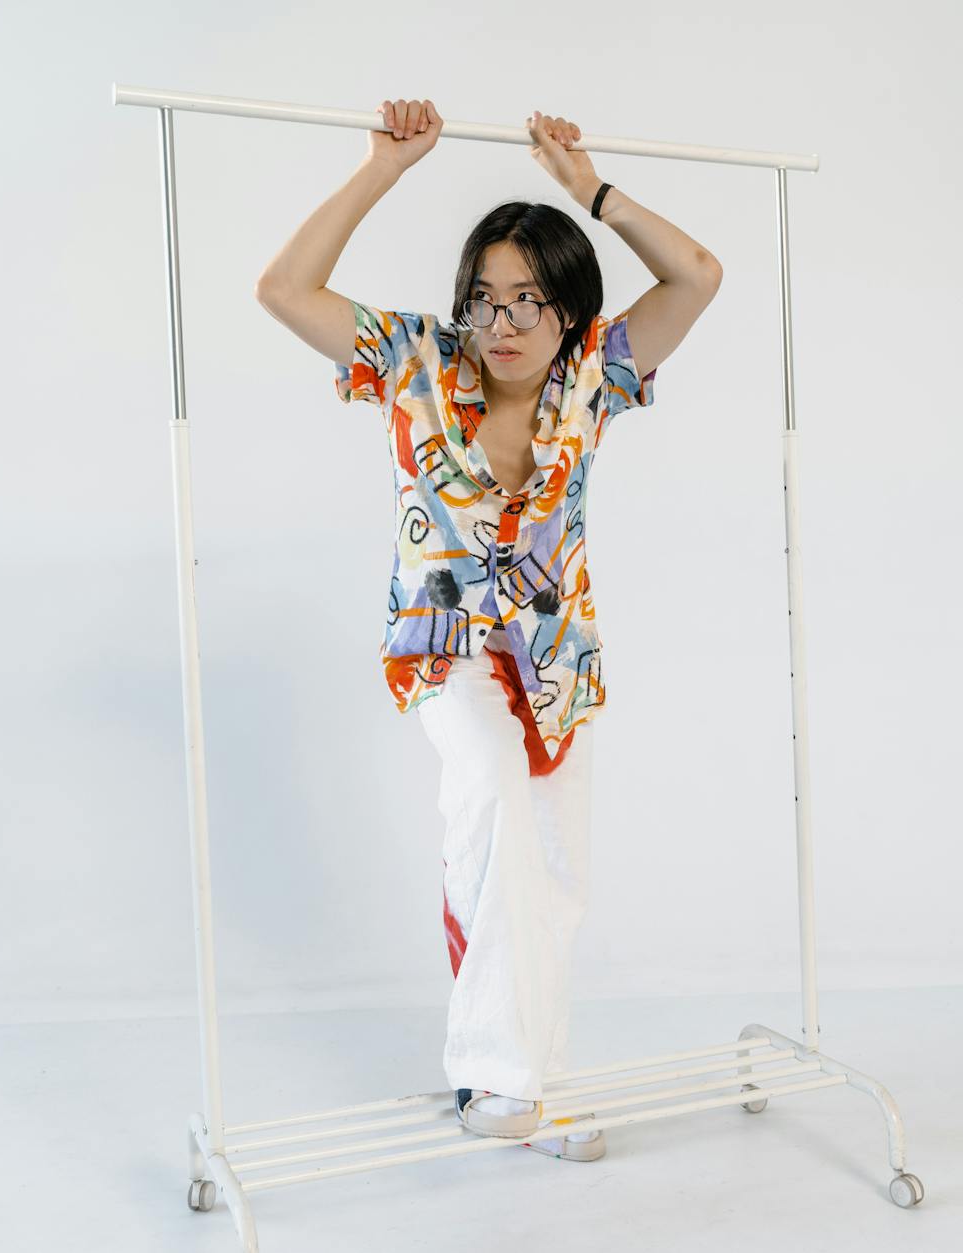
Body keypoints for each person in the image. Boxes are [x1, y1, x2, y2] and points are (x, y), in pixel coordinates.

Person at [255, 97, 722, 1163]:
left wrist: (587, 188)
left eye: (527, 299)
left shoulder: (591, 380)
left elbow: (696, 273)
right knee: (492, 806)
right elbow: (280, 289)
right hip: (444, 650)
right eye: (484, 298)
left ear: (566, 310)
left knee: (554, 870)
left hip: (556, 663)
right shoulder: (413, 361)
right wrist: (384, 168)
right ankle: (497, 1081)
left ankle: (521, 1083)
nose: (502, 321)